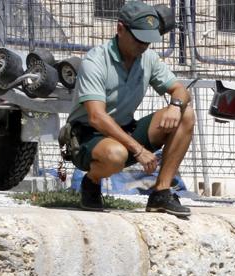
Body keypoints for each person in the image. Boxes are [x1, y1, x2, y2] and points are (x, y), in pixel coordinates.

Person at [66, 0, 194, 217]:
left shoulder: (148, 58)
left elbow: (180, 90)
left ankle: (161, 192)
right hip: (88, 136)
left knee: (185, 114)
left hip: (124, 130)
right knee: (116, 155)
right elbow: (96, 117)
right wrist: (139, 150)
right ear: (120, 29)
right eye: (139, 39)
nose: (144, 46)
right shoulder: (95, 61)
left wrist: (175, 105)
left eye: (148, 41)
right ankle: (91, 181)